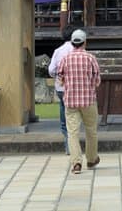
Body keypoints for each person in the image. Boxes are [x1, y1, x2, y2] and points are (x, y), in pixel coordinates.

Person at [55, 28, 101, 174]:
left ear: (73, 42)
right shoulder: (90, 58)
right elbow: (97, 81)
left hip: (71, 101)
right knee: (91, 130)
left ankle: (76, 163)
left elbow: (60, 79)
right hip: (88, 100)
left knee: (72, 132)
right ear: (84, 42)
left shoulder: (65, 58)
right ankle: (92, 159)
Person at [47, 24, 78, 153]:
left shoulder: (58, 51)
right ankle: (74, 143)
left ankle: (68, 143)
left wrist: (59, 75)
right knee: (75, 115)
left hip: (62, 87)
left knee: (64, 112)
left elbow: (51, 70)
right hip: (76, 87)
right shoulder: (78, 51)